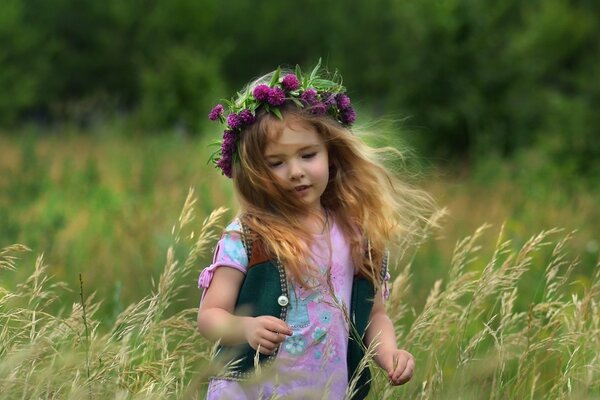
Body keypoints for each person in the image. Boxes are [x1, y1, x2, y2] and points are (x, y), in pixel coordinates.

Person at [197, 61, 434, 399]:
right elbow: (210, 316)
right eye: (276, 163)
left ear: (330, 154)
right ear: (255, 172)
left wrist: (390, 354)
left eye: (308, 155)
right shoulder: (247, 236)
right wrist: (245, 327)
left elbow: (374, 316)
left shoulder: (357, 234)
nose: (296, 171)